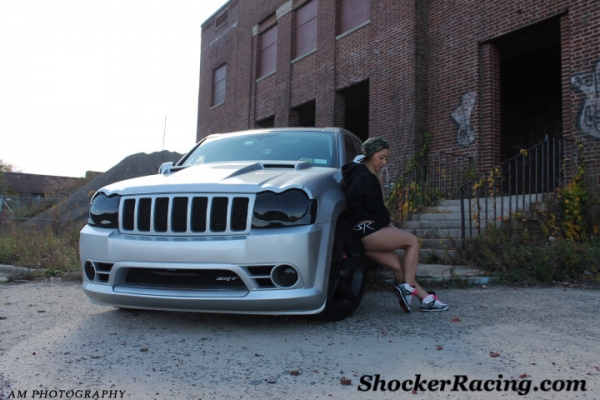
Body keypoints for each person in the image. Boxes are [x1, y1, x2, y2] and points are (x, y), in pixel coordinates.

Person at [341, 137, 449, 312]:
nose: (384, 162)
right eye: (381, 157)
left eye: (386, 158)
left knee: (398, 265)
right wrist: (390, 226)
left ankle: (426, 299)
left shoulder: (354, 175)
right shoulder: (367, 177)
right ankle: (406, 289)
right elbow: (377, 209)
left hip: (357, 235)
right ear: (369, 155)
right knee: (412, 241)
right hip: (370, 231)